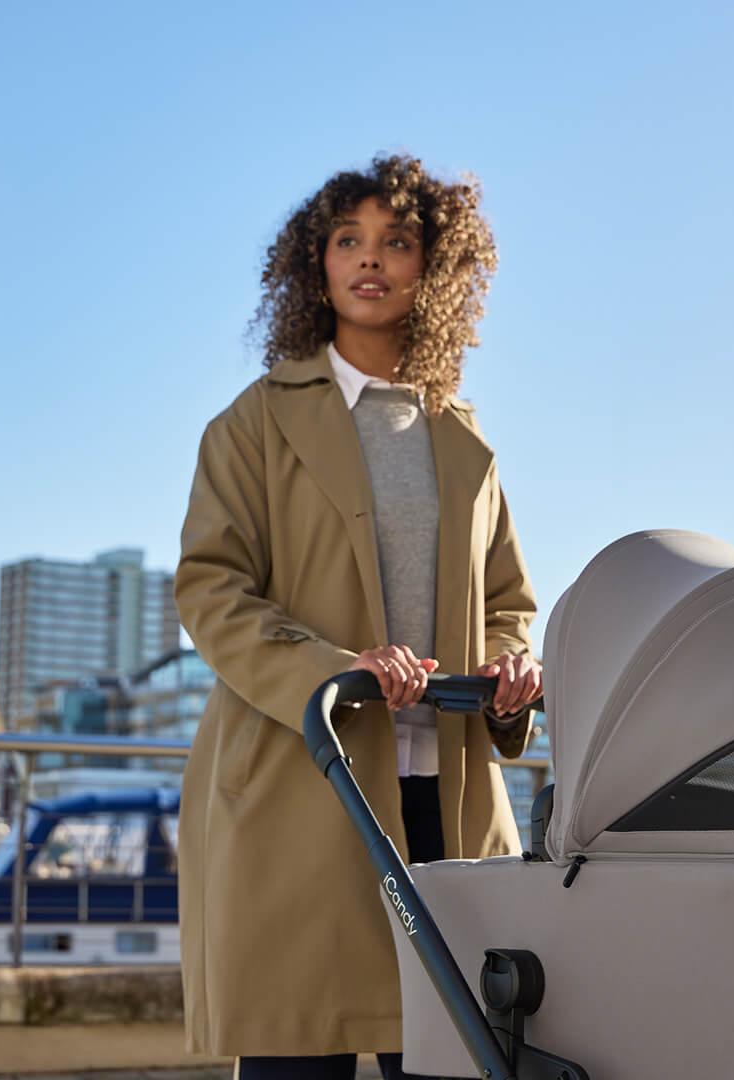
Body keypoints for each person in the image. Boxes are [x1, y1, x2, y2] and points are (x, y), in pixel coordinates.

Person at [174, 153, 543, 1080]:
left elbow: (509, 603)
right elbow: (211, 588)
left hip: (446, 800)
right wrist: (334, 672)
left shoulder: (467, 442)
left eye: (397, 241)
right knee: (303, 1056)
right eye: (348, 240)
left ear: (436, 268)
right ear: (317, 265)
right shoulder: (252, 424)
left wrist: (509, 674)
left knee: (454, 1058)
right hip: (310, 793)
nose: (369, 259)